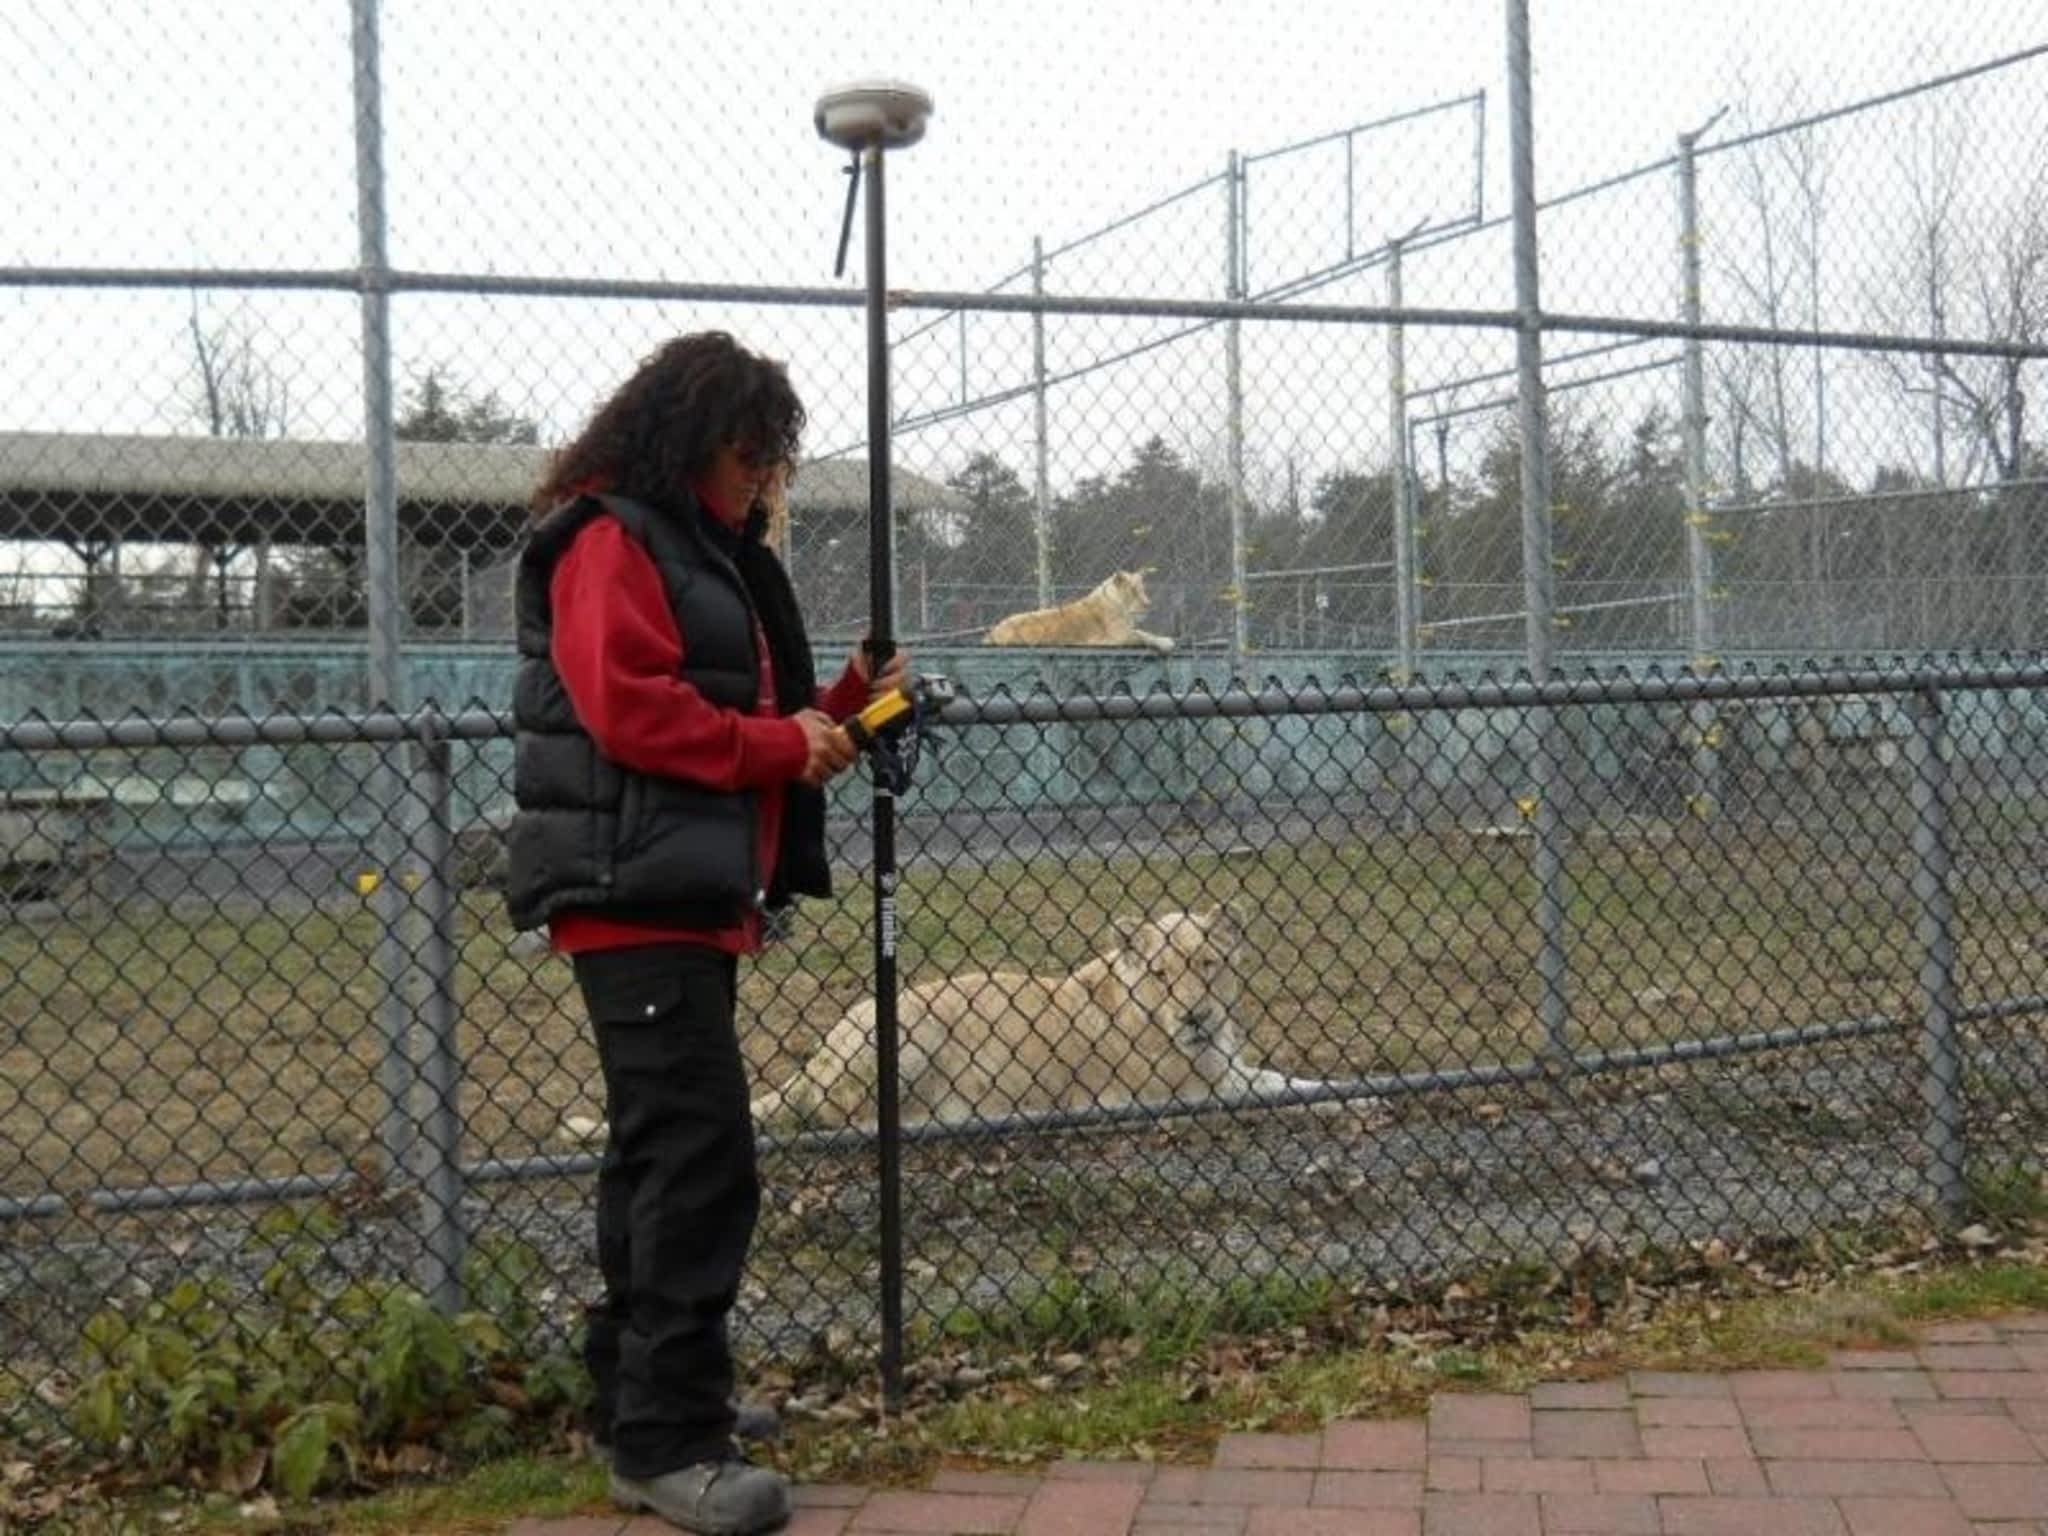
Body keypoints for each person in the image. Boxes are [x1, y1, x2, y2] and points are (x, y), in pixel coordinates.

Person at [505, 331, 905, 1535]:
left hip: (676, 896)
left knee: (655, 1155)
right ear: (689, 440)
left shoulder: (689, 547)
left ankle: (637, 1395)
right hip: (634, 900)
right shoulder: (609, 539)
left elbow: (743, 719)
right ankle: (668, 1442)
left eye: (772, 460)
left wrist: (839, 704)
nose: (762, 481)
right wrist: (784, 742)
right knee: (700, 1163)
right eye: (748, 455)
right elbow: (630, 711)